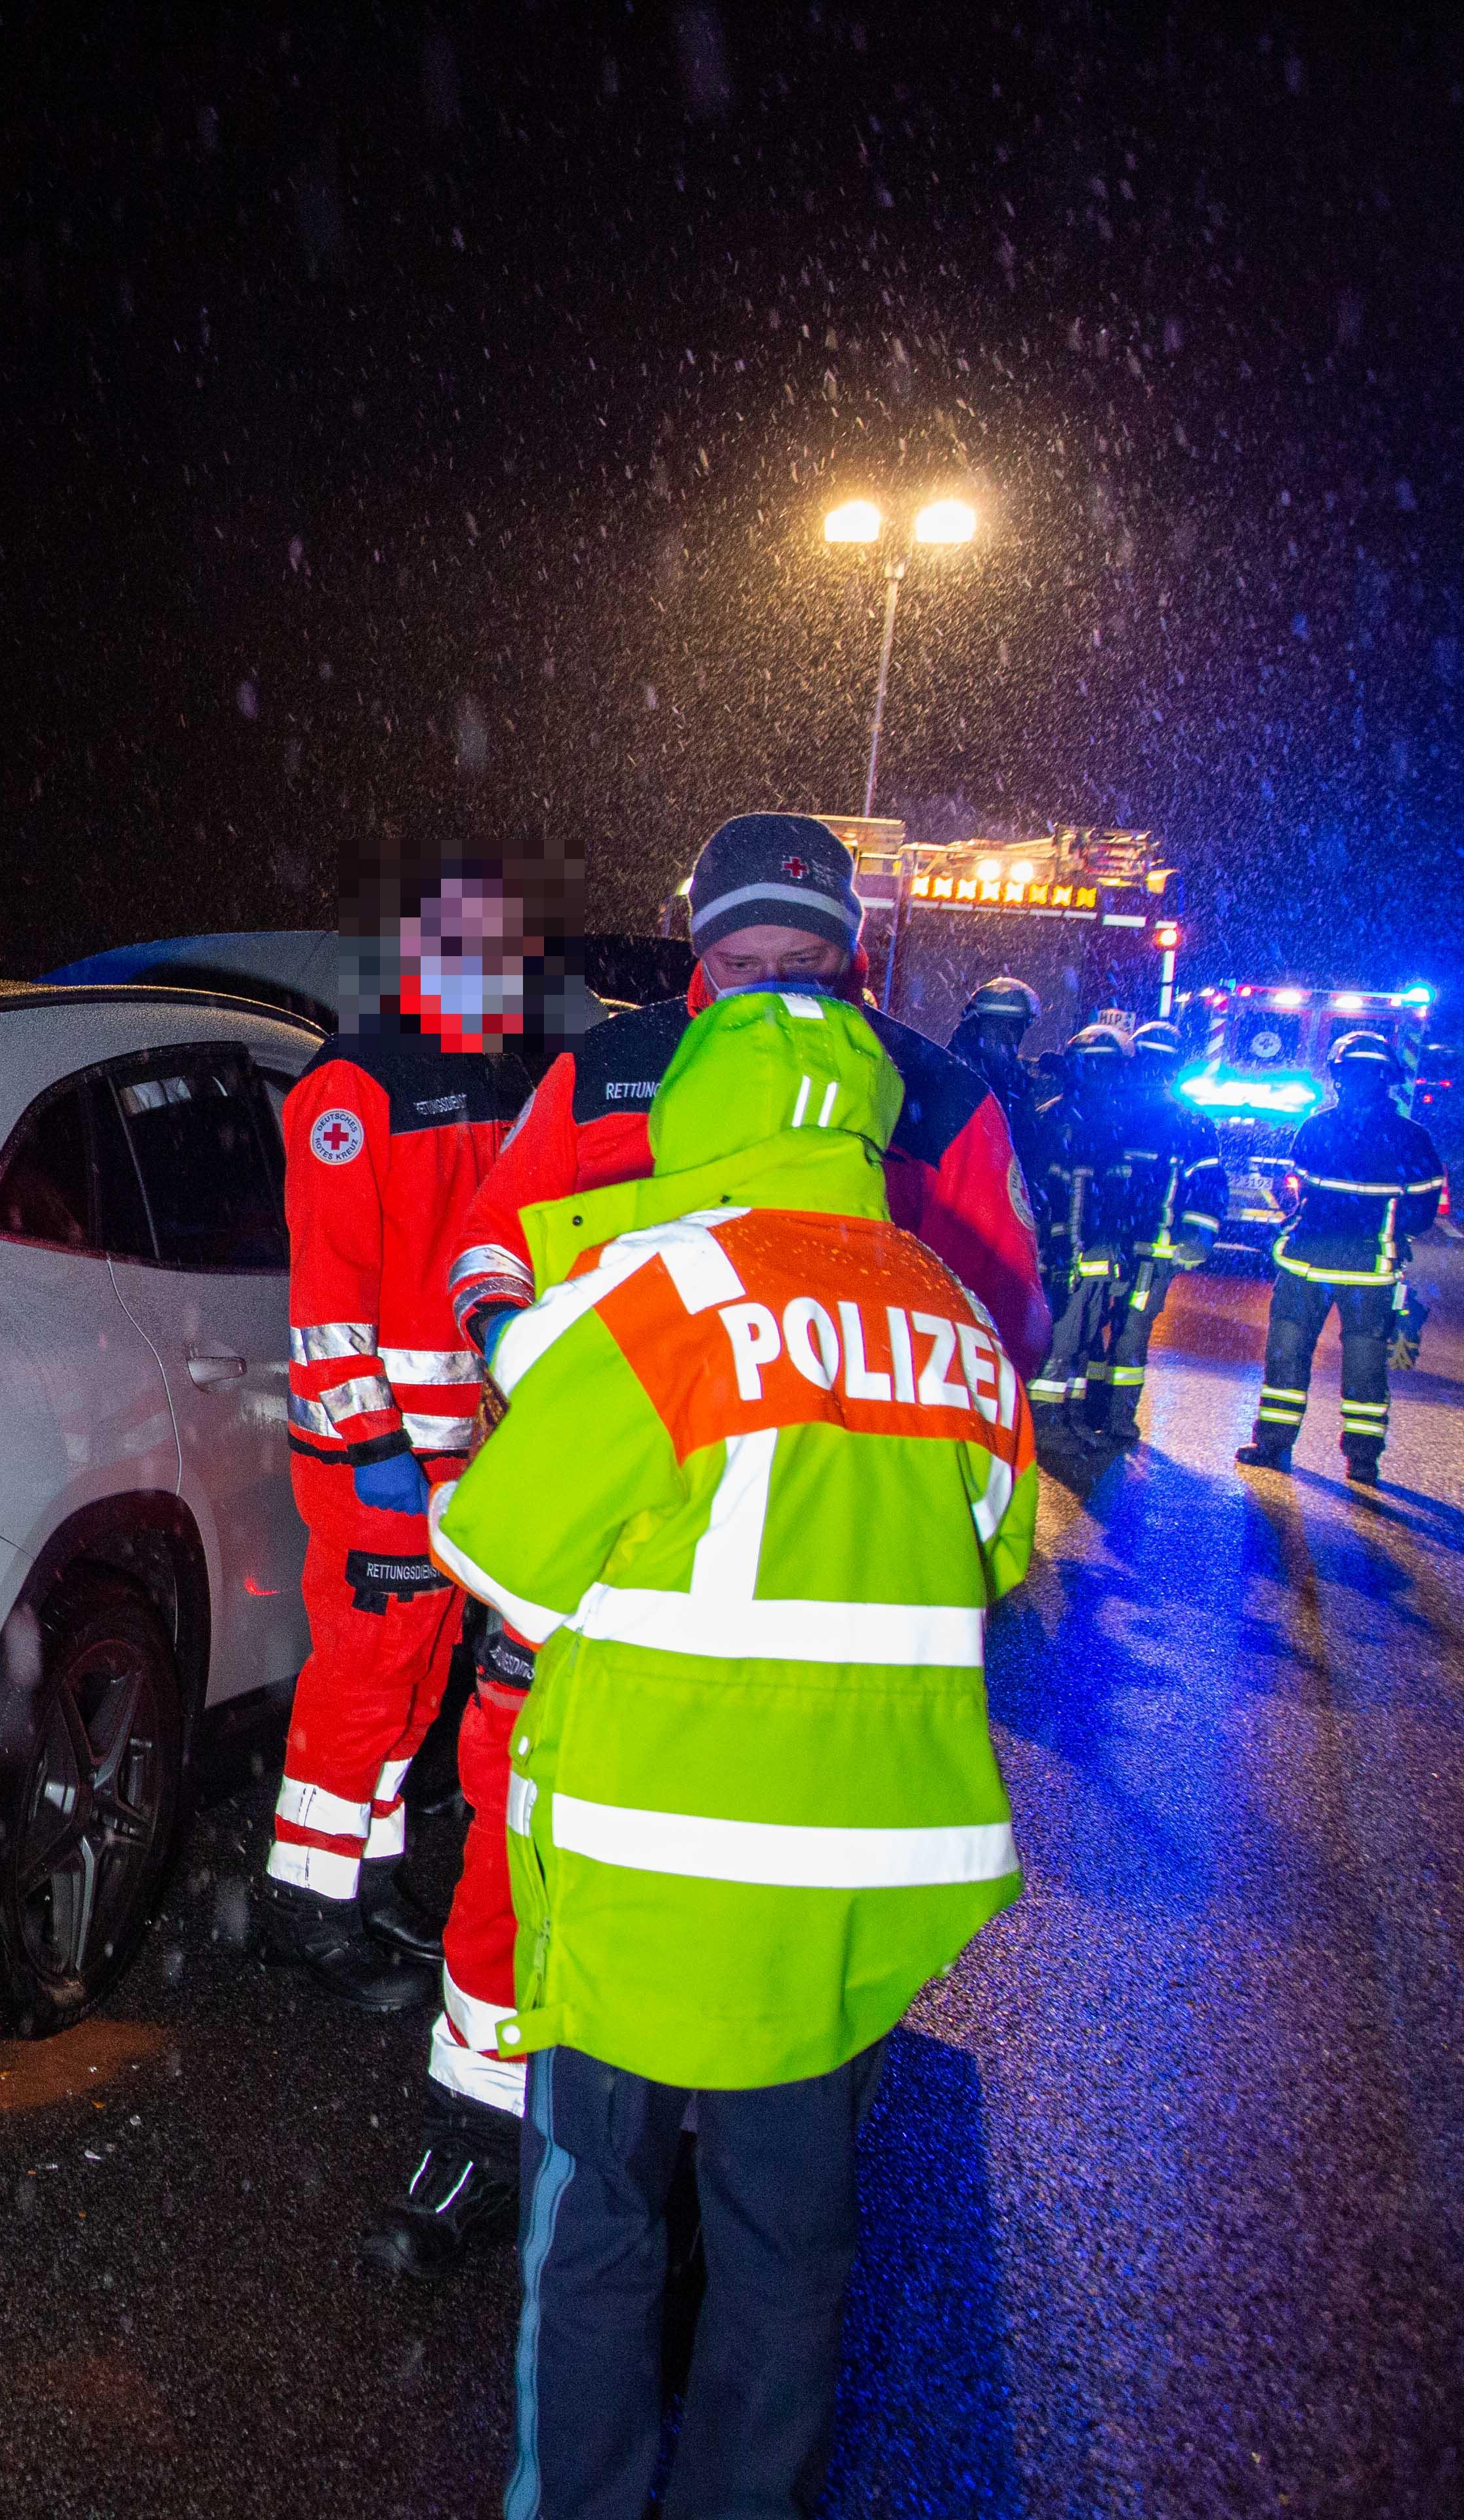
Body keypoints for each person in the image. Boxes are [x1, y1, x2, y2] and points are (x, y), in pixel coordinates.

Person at [369, 814, 1047, 2283]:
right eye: (741, 961)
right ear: (697, 953)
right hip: (592, 1551)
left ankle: (708, 2207)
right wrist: (527, 1349)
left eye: (801, 963)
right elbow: (490, 1245)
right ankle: (483, 2129)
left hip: (813, 1618)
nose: (769, 992)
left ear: (855, 958)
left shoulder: (934, 1103)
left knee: (776, 1922)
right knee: (516, 1853)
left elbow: (1007, 1328)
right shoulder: (609, 1069)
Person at [425, 983, 1037, 2520]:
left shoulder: (670, 1293)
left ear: (700, 1109)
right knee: (785, 2249)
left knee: (601, 2224)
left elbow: (496, 1550)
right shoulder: (952, 1323)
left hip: (644, 1868)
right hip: (841, 1889)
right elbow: (992, 1553)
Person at [259, 860, 545, 2012]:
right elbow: (328, 1300)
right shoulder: (351, 1089)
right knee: (363, 1689)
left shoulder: (483, 1080)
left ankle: (361, 1886)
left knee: (418, 1687)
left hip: (453, 1463)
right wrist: (373, 1445)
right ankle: (305, 1911)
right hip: (374, 1465)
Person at [1240, 1030, 1445, 1485]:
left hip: (1306, 1265)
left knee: (1288, 1357)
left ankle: (1272, 1445)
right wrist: (1385, 1229)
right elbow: (1424, 1212)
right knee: (1366, 1365)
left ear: (1339, 1078)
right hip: (1372, 1271)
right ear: (1387, 1080)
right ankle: (1364, 1459)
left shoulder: (1318, 1127)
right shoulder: (1414, 1139)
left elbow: (1295, 1188)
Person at [1090, 1019, 1223, 1444]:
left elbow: (1208, 1188)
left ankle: (1110, 1418)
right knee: (1103, 1329)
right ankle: (1101, 1415)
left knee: (1118, 1331)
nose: (1153, 1071)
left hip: (1142, 1248)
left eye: (1160, 1063)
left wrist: (1198, 1236)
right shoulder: (1119, 1112)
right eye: (1148, 1061)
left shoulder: (1182, 1123)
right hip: (1116, 1243)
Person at [1026, 1020, 1146, 1429]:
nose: (1103, 1077)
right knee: (1064, 1336)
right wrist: (1065, 1248)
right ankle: (1047, 1422)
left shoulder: (1101, 1119)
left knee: (1079, 1338)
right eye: (1095, 1068)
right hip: (1068, 1252)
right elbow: (1048, 1189)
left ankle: (1066, 1420)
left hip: (1094, 1249)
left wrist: (1117, 1245)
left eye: (1107, 1068)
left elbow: (1114, 1192)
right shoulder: (1063, 1119)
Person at [948, 973, 1046, 1143]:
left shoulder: (1012, 1079)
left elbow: (1025, 1142)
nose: (1013, 1039)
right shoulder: (957, 1075)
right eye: (1012, 1028)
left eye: (1017, 1031)